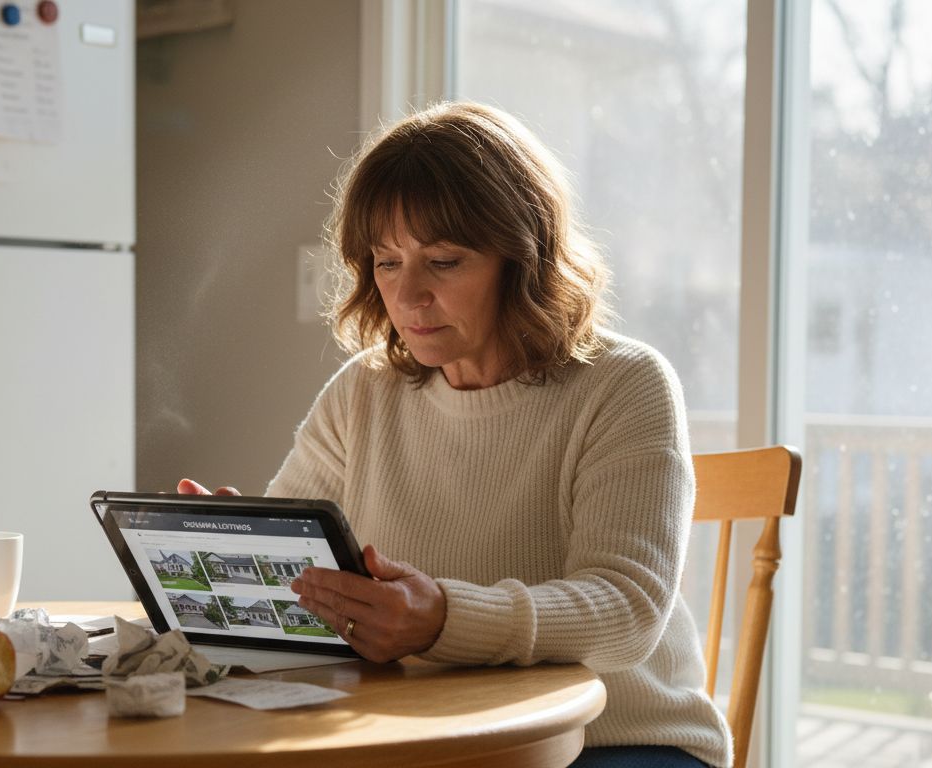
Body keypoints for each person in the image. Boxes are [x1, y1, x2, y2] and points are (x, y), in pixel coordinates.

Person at [178, 101, 732, 768]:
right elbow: (307, 587)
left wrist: (444, 619)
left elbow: (627, 613)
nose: (407, 295)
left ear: (524, 258)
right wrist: (243, 558)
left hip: (615, 741)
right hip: (417, 734)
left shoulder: (624, 384)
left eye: (443, 260)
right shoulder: (364, 391)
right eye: (386, 262)